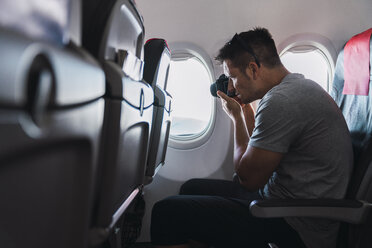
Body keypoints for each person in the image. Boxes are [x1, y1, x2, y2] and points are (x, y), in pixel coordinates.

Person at [150, 27, 353, 248]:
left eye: (233, 77)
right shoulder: (294, 88)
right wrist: (246, 110)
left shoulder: (282, 101)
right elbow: (262, 146)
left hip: (296, 224)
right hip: (279, 201)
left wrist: (237, 118)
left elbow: (247, 179)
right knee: (191, 188)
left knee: (167, 213)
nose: (232, 85)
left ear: (253, 69)